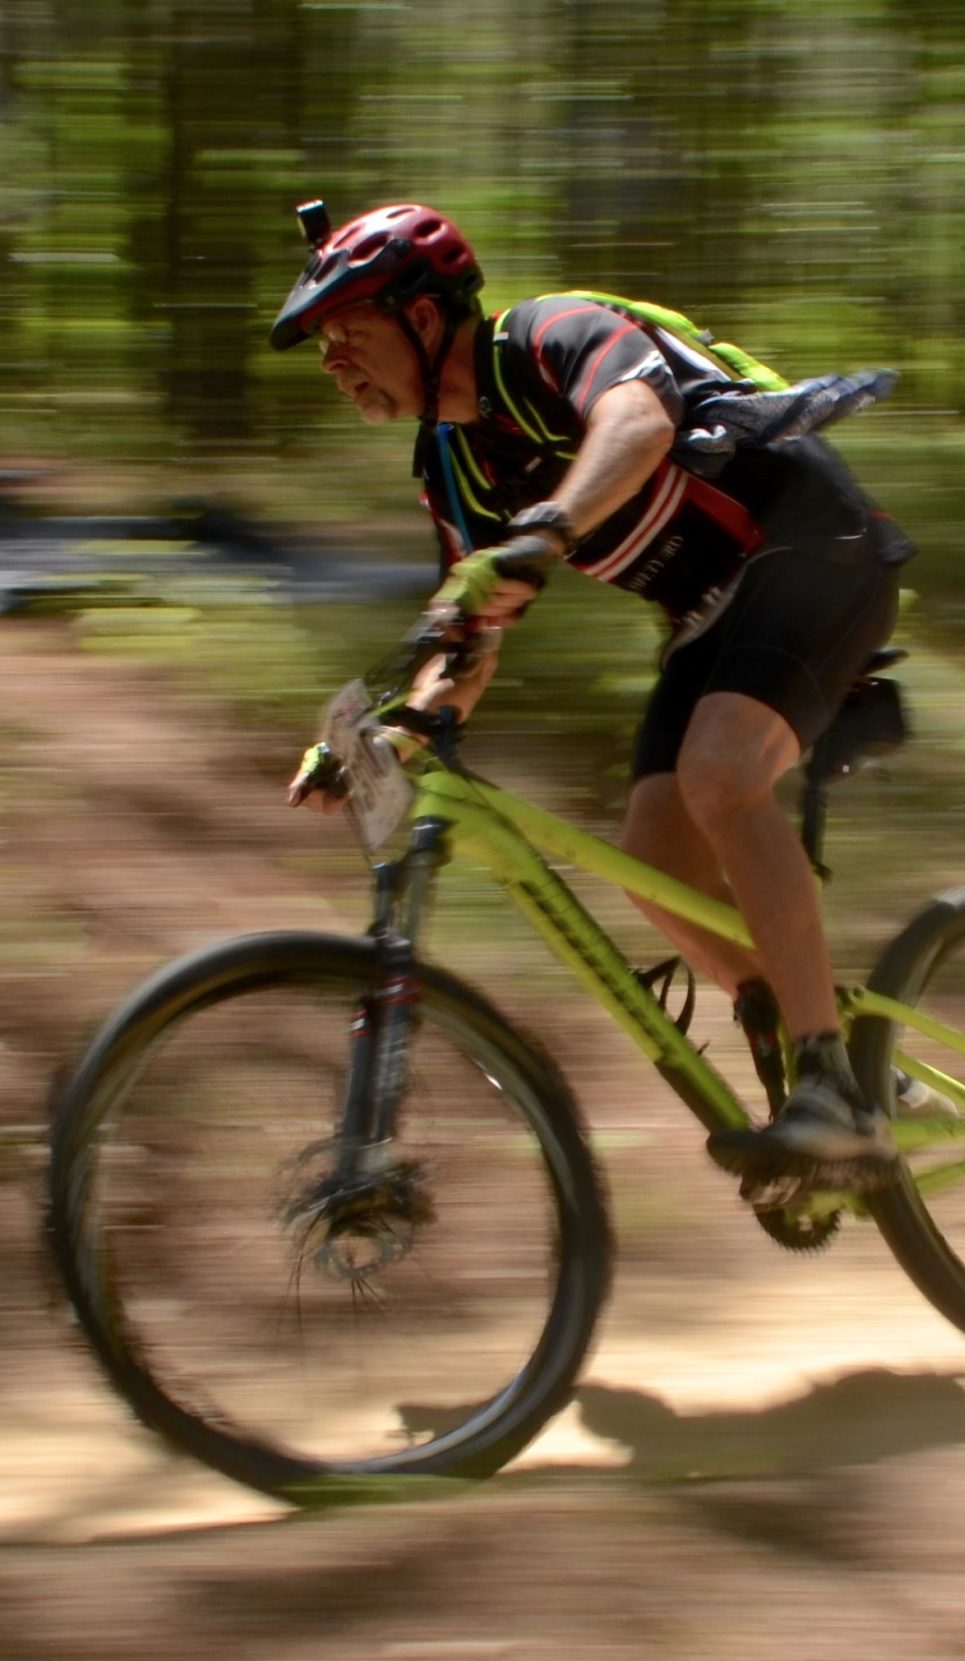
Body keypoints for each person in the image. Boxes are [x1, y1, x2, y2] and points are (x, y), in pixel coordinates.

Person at [273, 200, 916, 1175]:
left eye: (344, 331)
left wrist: (544, 533)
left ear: (421, 315)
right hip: (708, 618)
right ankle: (804, 1034)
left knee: (719, 775)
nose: (331, 361)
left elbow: (639, 418)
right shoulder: (450, 462)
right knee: (655, 862)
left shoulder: (546, 337)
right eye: (322, 345)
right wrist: (390, 734)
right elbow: (470, 635)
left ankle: (836, 1086)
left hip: (818, 550)